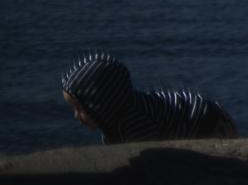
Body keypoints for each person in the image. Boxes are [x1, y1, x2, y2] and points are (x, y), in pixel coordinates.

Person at [58, 53, 237, 143]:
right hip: (206, 114)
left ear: (100, 104)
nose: (77, 116)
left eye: (81, 109)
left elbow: (152, 153)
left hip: (209, 123)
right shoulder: (115, 118)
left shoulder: (134, 122)